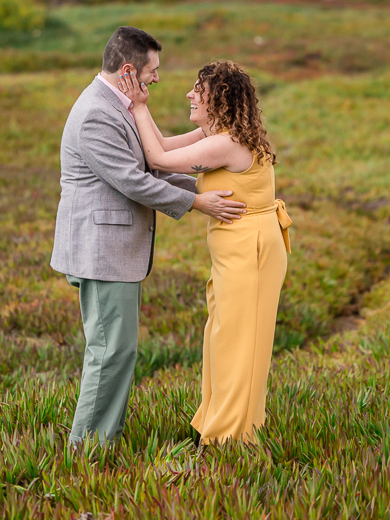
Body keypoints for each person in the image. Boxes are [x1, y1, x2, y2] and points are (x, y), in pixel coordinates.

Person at [49, 27, 246, 446]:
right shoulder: (96, 114)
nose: (157, 78)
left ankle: (100, 442)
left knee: (117, 352)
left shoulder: (115, 104)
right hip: (100, 252)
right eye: (153, 70)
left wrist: (215, 135)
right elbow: (134, 180)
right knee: (111, 353)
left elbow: (154, 160)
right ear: (129, 70)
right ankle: (87, 452)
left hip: (111, 251)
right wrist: (199, 202)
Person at [119, 59, 292, 445]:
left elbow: (157, 161)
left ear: (220, 98)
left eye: (199, 88)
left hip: (252, 252)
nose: (190, 94)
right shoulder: (217, 136)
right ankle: (213, 425)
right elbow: (162, 146)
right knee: (222, 337)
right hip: (238, 252)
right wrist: (139, 110)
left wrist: (140, 107)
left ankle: (231, 437)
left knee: (239, 343)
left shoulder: (225, 144)